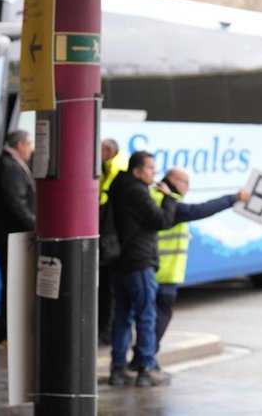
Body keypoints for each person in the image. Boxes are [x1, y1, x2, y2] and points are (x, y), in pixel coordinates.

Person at [128, 167, 250, 370]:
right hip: (163, 273)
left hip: (147, 268)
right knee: (158, 317)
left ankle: (140, 360)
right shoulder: (171, 205)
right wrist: (232, 198)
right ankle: (144, 361)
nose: (187, 187)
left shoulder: (151, 197)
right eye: (184, 182)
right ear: (172, 180)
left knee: (142, 317)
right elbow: (201, 209)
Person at [107, 151, 177, 387]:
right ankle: (146, 369)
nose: (154, 174)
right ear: (137, 171)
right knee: (146, 316)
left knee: (122, 317)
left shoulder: (119, 187)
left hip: (119, 263)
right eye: (150, 169)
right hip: (139, 262)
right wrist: (168, 198)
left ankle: (118, 368)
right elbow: (161, 220)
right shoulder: (137, 192)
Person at [0, 130, 35, 347]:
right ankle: (7, 333)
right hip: (11, 236)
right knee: (14, 284)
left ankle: (9, 332)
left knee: (13, 283)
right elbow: (16, 204)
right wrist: (36, 226)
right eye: (29, 144)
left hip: (9, 234)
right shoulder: (9, 167)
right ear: (20, 145)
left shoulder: (8, 164)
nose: (31, 149)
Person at [98, 138, 128, 345]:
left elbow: (104, 201)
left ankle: (108, 332)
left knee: (109, 289)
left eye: (100, 150)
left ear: (109, 151)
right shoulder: (108, 165)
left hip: (109, 236)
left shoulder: (115, 168)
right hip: (107, 234)